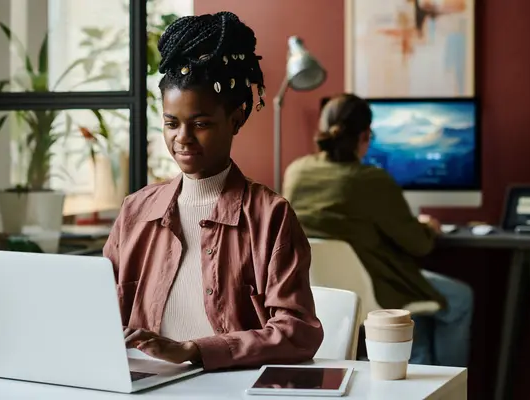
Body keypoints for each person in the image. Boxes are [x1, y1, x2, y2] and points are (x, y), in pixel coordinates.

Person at [103, 11, 323, 371]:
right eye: (171, 124)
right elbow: (99, 311)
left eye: (201, 124)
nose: (182, 138)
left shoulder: (270, 215)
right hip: (143, 385)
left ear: (236, 119)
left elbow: (298, 331)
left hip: (231, 386)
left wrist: (194, 349)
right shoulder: (135, 210)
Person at [282, 94, 473, 367]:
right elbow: (418, 245)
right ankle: (453, 390)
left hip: (322, 293)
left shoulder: (296, 172)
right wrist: (428, 228)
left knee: (423, 317)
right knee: (461, 298)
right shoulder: (371, 180)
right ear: (365, 136)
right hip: (374, 288)